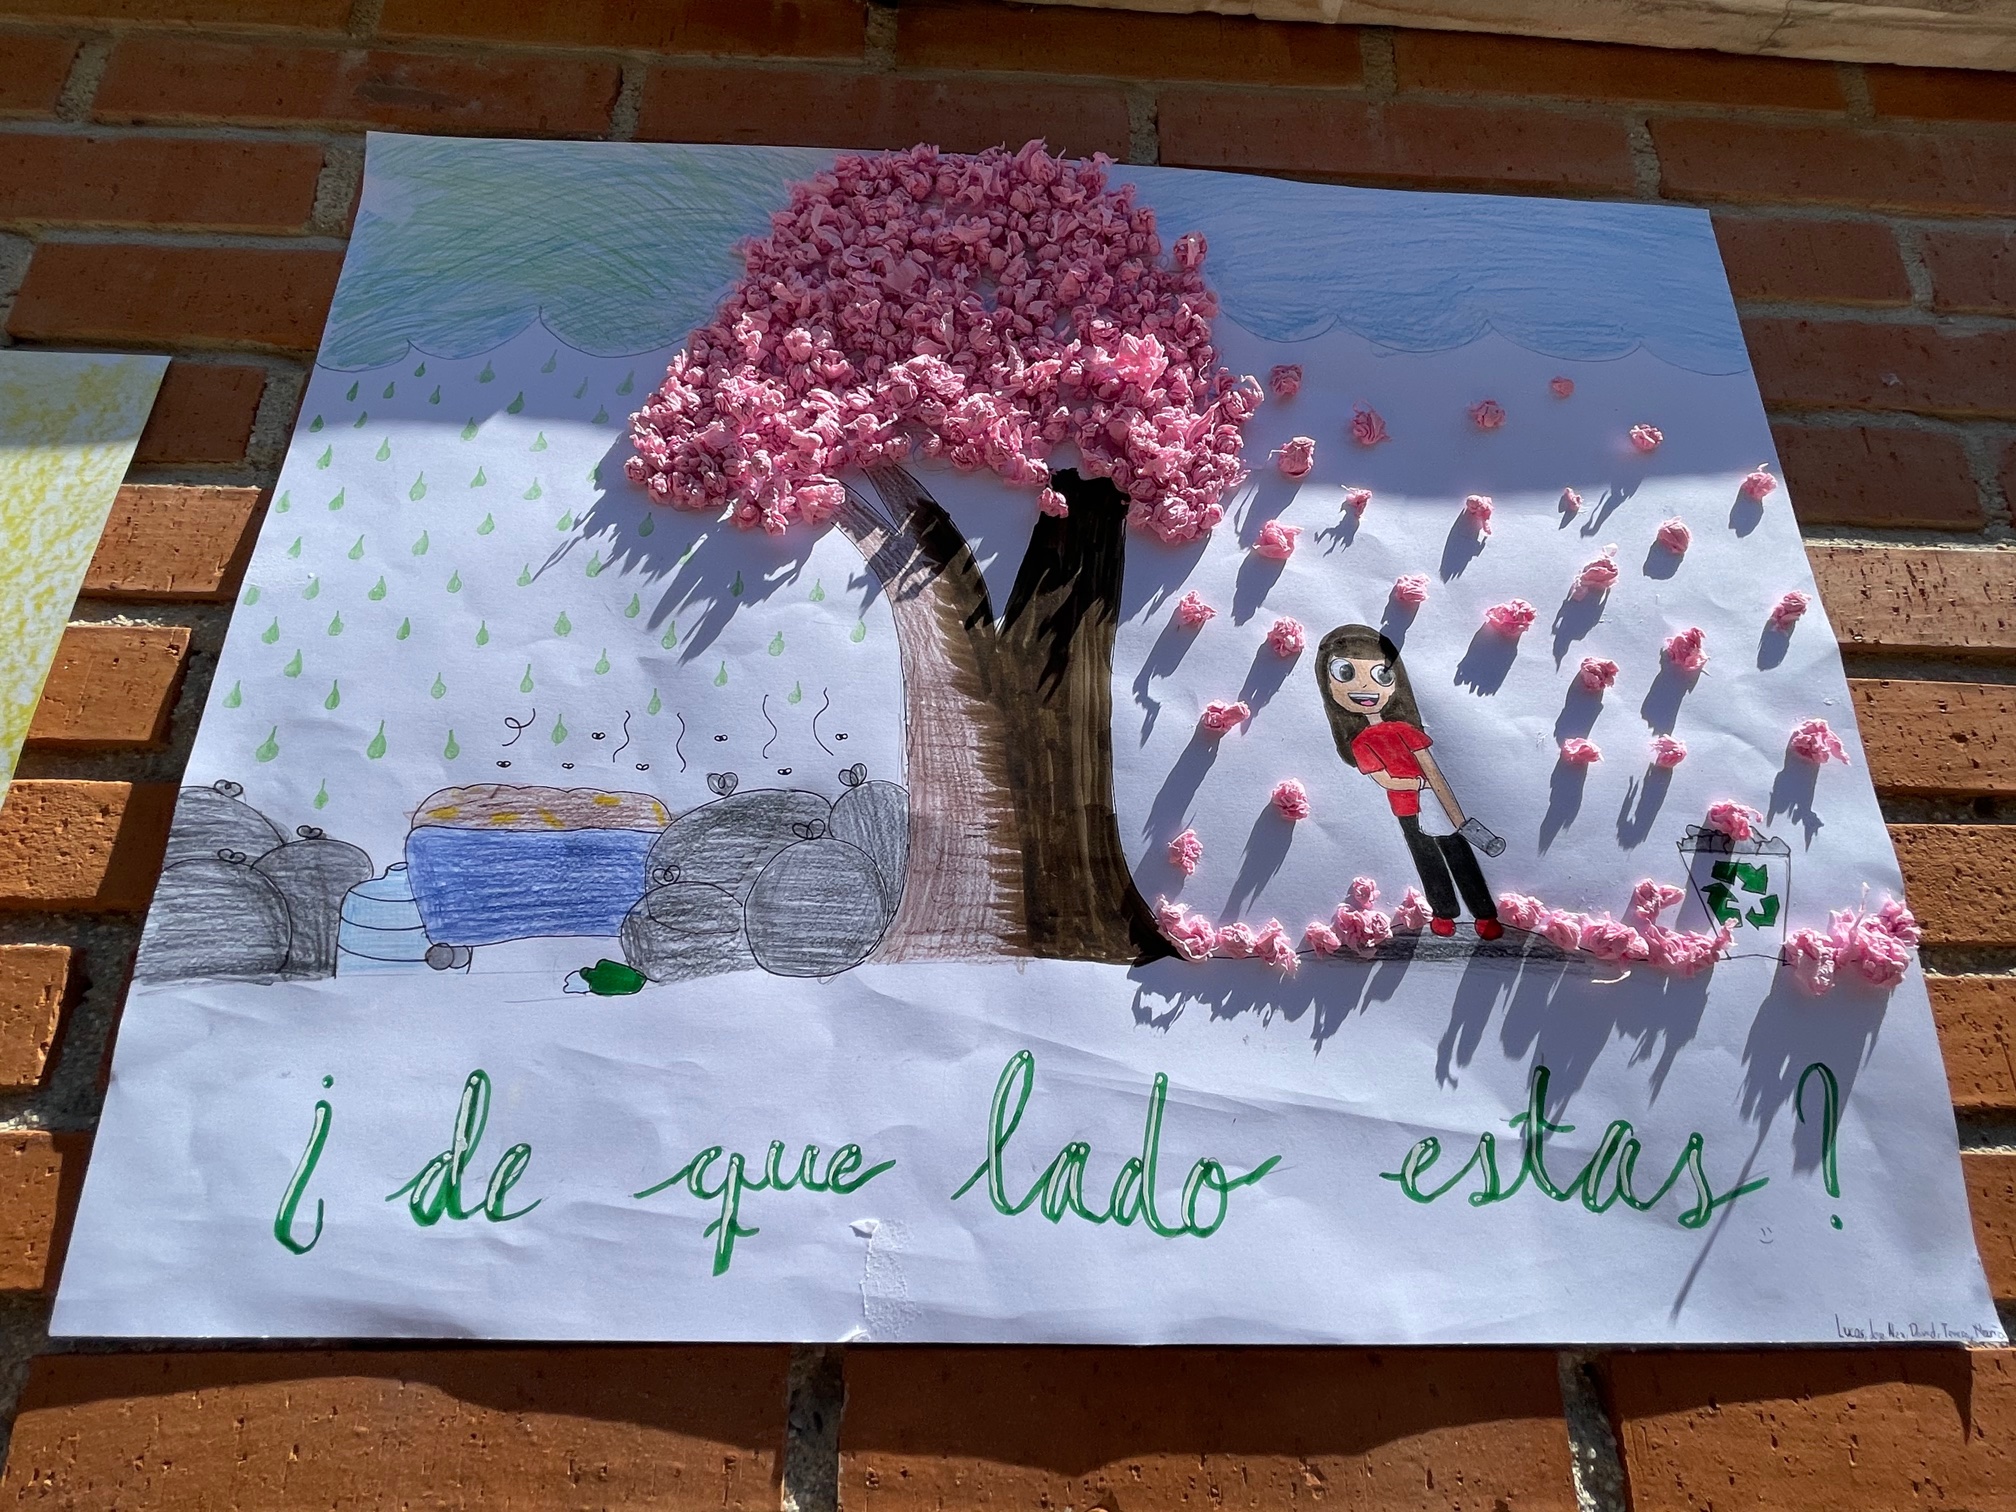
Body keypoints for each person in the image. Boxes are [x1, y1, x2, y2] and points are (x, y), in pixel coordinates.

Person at [1315, 624, 1501, 939]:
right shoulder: (1361, 742)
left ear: (1395, 683)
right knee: (1427, 859)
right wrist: (1419, 786)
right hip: (1408, 810)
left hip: (1436, 805)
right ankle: (1443, 913)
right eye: (1346, 673)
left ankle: (1484, 913)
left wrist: (1451, 809)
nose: (1365, 686)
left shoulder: (1405, 730)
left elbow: (1431, 768)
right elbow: (1385, 779)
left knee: (1459, 852)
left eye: (1381, 675)